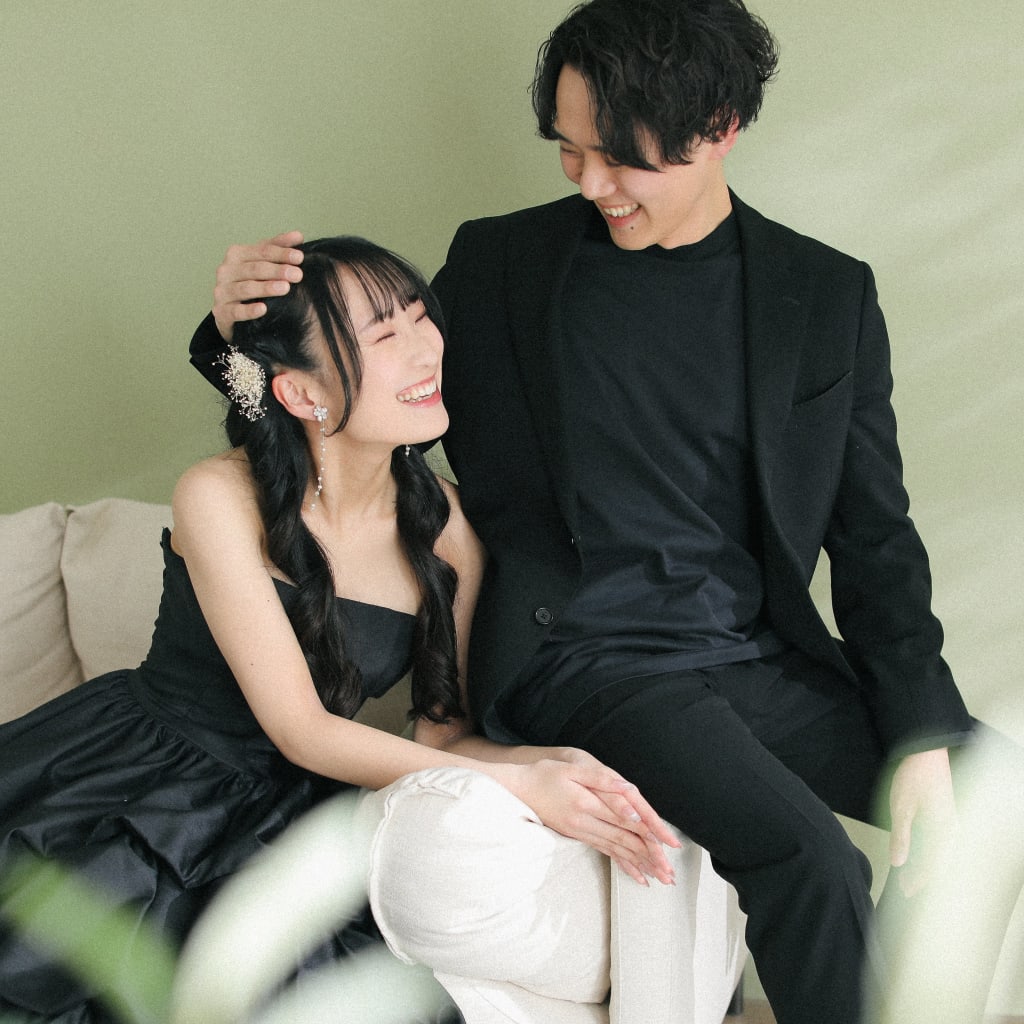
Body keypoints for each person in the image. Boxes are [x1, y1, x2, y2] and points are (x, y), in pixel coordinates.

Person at [192, 3, 1024, 1023]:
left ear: (719, 128)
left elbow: (875, 537)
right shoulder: (503, 267)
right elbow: (356, 384)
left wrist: (922, 733)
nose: (591, 184)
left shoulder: (825, 296)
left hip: (751, 655)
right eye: (571, 151)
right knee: (809, 856)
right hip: (582, 657)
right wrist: (231, 336)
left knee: (993, 799)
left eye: (622, 159)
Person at [0, 236, 677, 1024]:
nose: (425, 348)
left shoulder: (449, 528)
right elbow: (300, 728)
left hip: (296, 815)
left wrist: (555, 769)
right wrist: (520, 785)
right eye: (384, 335)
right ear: (301, 393)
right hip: (140, 776)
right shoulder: (217, 497)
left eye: (420, 317)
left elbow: (445, 737)